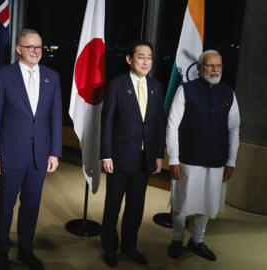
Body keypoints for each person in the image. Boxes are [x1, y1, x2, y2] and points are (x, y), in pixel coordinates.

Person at [0, 28, 62, 270]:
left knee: (31, 206)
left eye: (39, 47)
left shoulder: (52, 77)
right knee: (5, 206)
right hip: (10, 154)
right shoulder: (3, 76)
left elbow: (55, 117)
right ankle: (2, 251)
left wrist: (55, 152)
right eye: (30, 47)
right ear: (19, 49)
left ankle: (26, 251)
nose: (35, 51)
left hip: (40, 155)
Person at [166, 50, 240, 261]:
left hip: (217, 160)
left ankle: (197, 240)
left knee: (209, 202)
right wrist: (173, 158)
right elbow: (172, 126)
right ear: (199, 68)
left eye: (219, 65)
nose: (215, 70)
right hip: (188, 159)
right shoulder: (185, 90)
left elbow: (234, 128)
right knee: (181, 202)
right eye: (210, 65)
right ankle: (178, 238)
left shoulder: (228, 92)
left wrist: (231, 160)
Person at [100, 40, 166, 267]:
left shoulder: (157, 86)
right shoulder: (117, 85)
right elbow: (107, 122)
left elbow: (158, 124)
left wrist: (158, 154)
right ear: (129, 59)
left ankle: (129, 246)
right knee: (113, 206)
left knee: (136, 207)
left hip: (144, 159)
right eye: (141, 57)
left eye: (149, 57)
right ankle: (109, 247)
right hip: (119, 157)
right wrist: (106, 155)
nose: (146, 61)